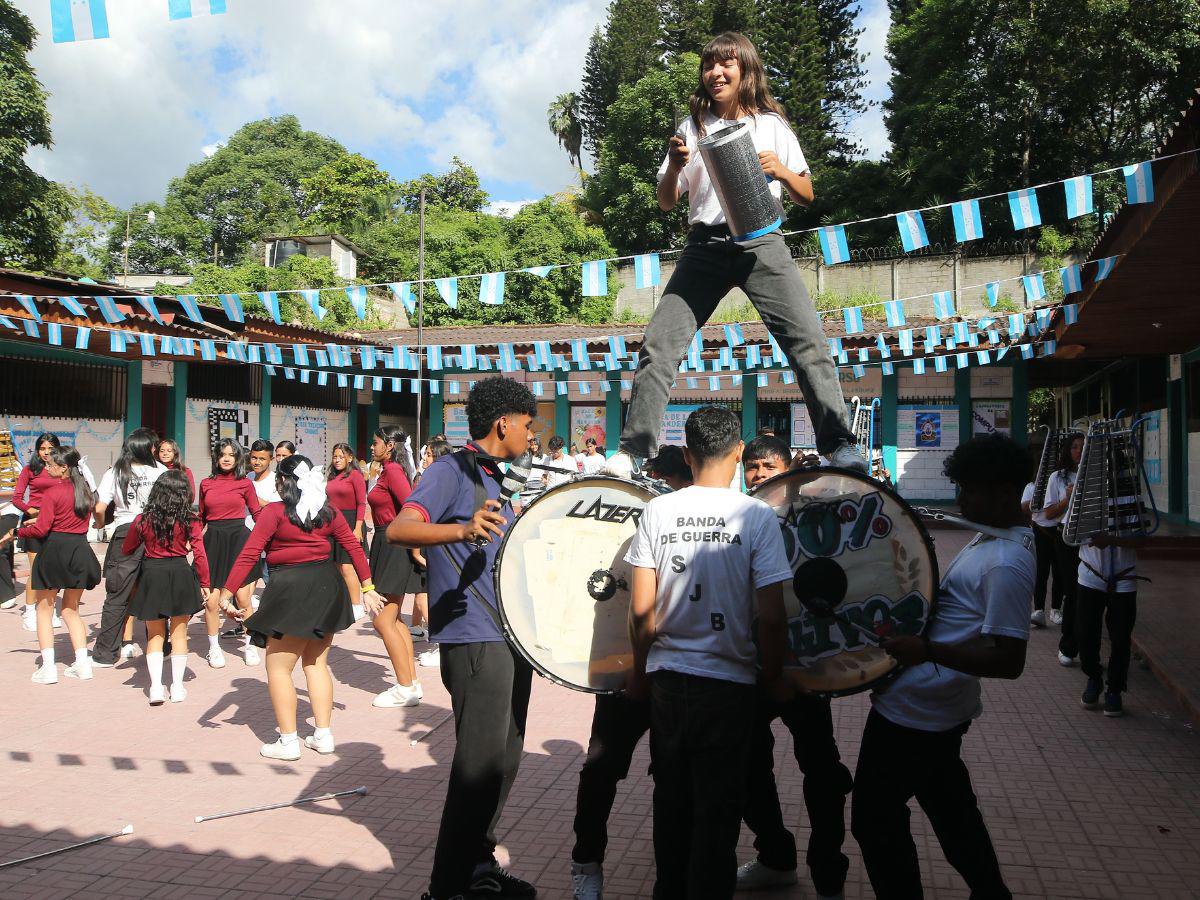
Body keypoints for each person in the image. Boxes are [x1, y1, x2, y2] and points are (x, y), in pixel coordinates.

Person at [604, 32, 862, 481]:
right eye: (709, 65)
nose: (715, 72)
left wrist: (780, 171)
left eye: (726, 64)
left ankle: (839, 445)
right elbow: (666, 201)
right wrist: (674, 165)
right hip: (704, 247)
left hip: (762, 243)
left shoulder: (771, 124)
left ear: (745, 69)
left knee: (807, 343)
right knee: (658, 346)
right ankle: (632, 451)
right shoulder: (691, 127)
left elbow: (806, 194)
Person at [850, 434, 1035, 900]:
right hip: (933, 706)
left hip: (917, 715)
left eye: (970, 490)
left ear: (1005, 493)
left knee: (875, 820)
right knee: (952, 812)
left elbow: (1010, 661)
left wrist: (927, 651)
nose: (961, 499)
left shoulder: (1006, 563)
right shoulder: (994, 538)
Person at [626, 405, 792, 900]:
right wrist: (774, 677)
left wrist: (639, 675)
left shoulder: (657, 511)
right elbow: (773, 616)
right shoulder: (757, 517)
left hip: (668, 682)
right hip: (729, 686)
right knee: (717, 814)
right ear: (739, 452)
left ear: (687, 454)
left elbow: (641, 613)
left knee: (671, 803)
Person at [388, 377, 539, 900]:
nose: (531, 434)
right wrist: (459, 530)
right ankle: (446, 887)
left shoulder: (501, 478)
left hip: (511, 635)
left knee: (506, 759)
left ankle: (478, 866)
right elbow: (400, 529)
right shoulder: (451, 470)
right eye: (527, 424)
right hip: (475, 637)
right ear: (503, 423)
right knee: (477, 768)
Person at [569, 454, 696, 900]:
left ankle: (672, 880)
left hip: (673, 672)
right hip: (627, 671)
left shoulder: (706, 522)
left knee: (672, 779)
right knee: (601, 771)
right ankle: (587, 861)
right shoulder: (644, 513)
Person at [735, 434, 853, 899]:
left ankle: (829, 876)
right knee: (748, 767)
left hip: (806, 668)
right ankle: (775, 857)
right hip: (754, 667)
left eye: (769, 466)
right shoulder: (737, 519)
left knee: (823, 774)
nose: (759, 474)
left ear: (788, 468)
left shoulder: (817, 514)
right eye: (752, 466)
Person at [218, 455, 384, 759]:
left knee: (278, 668)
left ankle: (288, 741)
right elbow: (353, 545)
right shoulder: (327, 511)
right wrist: (367, 587)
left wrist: (226, 593)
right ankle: (323, 735)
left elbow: (250, 553)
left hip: (290, 590)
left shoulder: (275, 512)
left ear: (283, 481)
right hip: (326, 587)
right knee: (316, 664)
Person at [3, 446, 102, 684]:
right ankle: (82, 665)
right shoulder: (85, 491)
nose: (47, 468)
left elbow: (41, 530)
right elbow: (73, 516)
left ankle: (48, 668)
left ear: (64, 467)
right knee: (71, 610)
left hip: (55, 551)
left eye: (51, 464)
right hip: (80, 550)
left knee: (44, 609)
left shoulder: (53, 492)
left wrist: (15, 532)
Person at [122, 470, 210, 705]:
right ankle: (177, 687)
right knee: (179, 633)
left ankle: (155, 688)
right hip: (180, 572)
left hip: (152, 574)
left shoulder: (143, 519)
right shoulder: (191, 520)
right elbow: (199, 552)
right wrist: (205, 582)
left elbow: (127, 548)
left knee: (155, 634)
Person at [91, 427, 167, 669]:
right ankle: (161, 647)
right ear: (148, 448)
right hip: (155, 533)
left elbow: (100, 508)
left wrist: (100, 525)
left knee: (117, 594)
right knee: (156, 591)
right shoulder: (161, 471)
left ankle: (105, 654)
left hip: (126, 533)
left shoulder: (115, 471)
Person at [366, 425, 422, 708]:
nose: (371, 447)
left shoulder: (394, 471)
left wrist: (415, 547)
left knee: (382, 620)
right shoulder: (386, 470)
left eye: (375, 442)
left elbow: (412, 508)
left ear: (389, 446)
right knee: (394, 619)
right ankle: (411, 682)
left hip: (394, 546)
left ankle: (405, 687)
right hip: (385, 543)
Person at [198, 439, 262, 668]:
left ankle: (251, 644)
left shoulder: (245, 484)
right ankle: (214, 648)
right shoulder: (206, 483)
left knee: (243, 598)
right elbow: (201, 518)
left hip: (239, 542)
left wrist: (270, 539)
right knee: (212, 601)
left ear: (237, 459)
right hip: (213, 542)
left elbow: (257, 514)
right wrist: (190, 542)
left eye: (231, 455)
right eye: (222, 454)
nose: (226, 458)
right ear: (216, 457)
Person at [12, 433, 61, 631]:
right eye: (42, 448)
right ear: (37, 450)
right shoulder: (29, 469)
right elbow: (16, 498)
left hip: (56, 523)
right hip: (34, 523)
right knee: (36, 569)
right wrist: (30, 510)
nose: (46, 452)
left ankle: (51, 609)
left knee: (54, 569)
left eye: (50, 448)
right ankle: (30, 611)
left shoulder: (62, 468)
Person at [1041, 433, 1083, 665]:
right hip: (1066, 537)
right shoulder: (1057, 477)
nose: (1079, 451)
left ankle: (1086, 643)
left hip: (1089, 538)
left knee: (1089, 593)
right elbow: (1049, 513)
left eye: (1083, 447)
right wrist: (1067, 499)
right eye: (1074, 447)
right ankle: (1068, 645)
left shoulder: (1096, 476)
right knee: (1072, 591)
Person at [412, 438, 453, 668]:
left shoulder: (439, 481)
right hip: (430, 541)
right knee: (425, 595)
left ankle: (442, 643)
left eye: (428, 454)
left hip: (434, 542)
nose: (425, 458)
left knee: (426, 597)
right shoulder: (430, 478)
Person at [325, 442, 369, 621]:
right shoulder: (331, 476)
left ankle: (356, 605)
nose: (337, 460)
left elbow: (362, 503)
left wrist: (357, 528)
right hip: (333, 522)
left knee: (347, 565)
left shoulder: (355, 475)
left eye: (341, 457)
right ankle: (342, 603)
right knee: (336, 566)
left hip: (350, 522)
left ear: (350, 458)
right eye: (335, 456)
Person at [1021, 462, 1062, 628]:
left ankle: (1056, 608)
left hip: (1058, 531)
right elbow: (1024, 507)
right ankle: (1038, 609)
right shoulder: (1031, 487)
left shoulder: (1060, 483)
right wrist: (1040, 498)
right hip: (1040, 531)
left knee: (1059, 571)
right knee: (1041, 572)